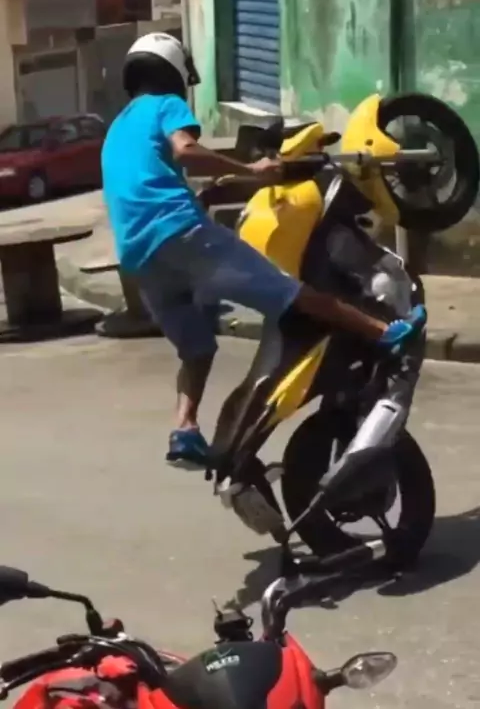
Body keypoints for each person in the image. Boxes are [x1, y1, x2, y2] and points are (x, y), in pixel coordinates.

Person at [101, 33, 426, 468]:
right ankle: (385, 332)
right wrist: (253, 170)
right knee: (293, 292)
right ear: (174, 72)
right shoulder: (165, 104)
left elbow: (147, 183)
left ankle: (185, 431)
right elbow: (187, 151)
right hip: (178, 231)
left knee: (197, 350)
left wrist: (213, 192)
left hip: (139, 257)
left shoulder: (116, 129)